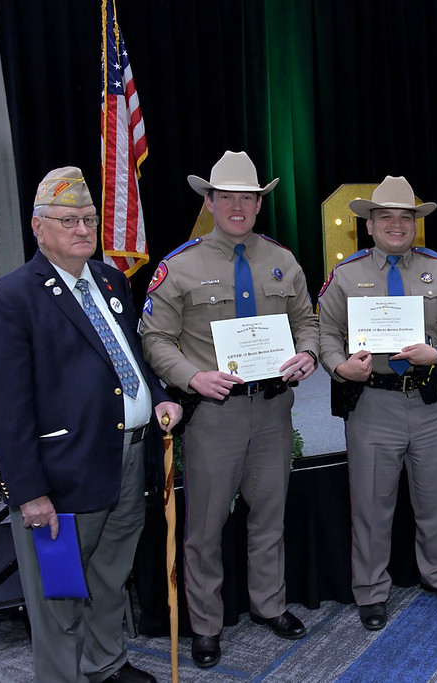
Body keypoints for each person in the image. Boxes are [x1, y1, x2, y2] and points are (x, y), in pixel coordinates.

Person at [0, 166, 182, 682]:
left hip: (127, 460)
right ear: (37, 226)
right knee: (60, 596)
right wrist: (30, 492)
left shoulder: (111, 279)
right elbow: (6, 407)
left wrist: (158, 397)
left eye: (88, 219)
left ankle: (106, 664)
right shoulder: (12, 298)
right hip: (62, 477)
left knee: (110, 579)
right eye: (67, 220)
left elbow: (131, 360)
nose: (81, 229)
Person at [141, 151, 319, 667]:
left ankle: (269, 604)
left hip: (270, 412)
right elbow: (155, 338)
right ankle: (206, 624)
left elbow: (306, 321)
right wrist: (191, 377)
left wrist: (307, 353)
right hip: (213, 416)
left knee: (269, 516)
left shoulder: (282, 260)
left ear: (260, 203)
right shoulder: (180, 266)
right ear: (210, 201)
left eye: (249, 197)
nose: (238, 207)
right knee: (205, 529)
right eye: (228, 198)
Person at [318, 175, 437, 630]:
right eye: (385, 216)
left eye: (405, 217)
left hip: (432, 402)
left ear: (416, 224)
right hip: (373, 404)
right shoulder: (346, 275)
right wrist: (338, 365)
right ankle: (370, 589)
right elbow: (324, 331)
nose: (395, 224)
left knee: (436, 498)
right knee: (371, 503)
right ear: (368, 225)